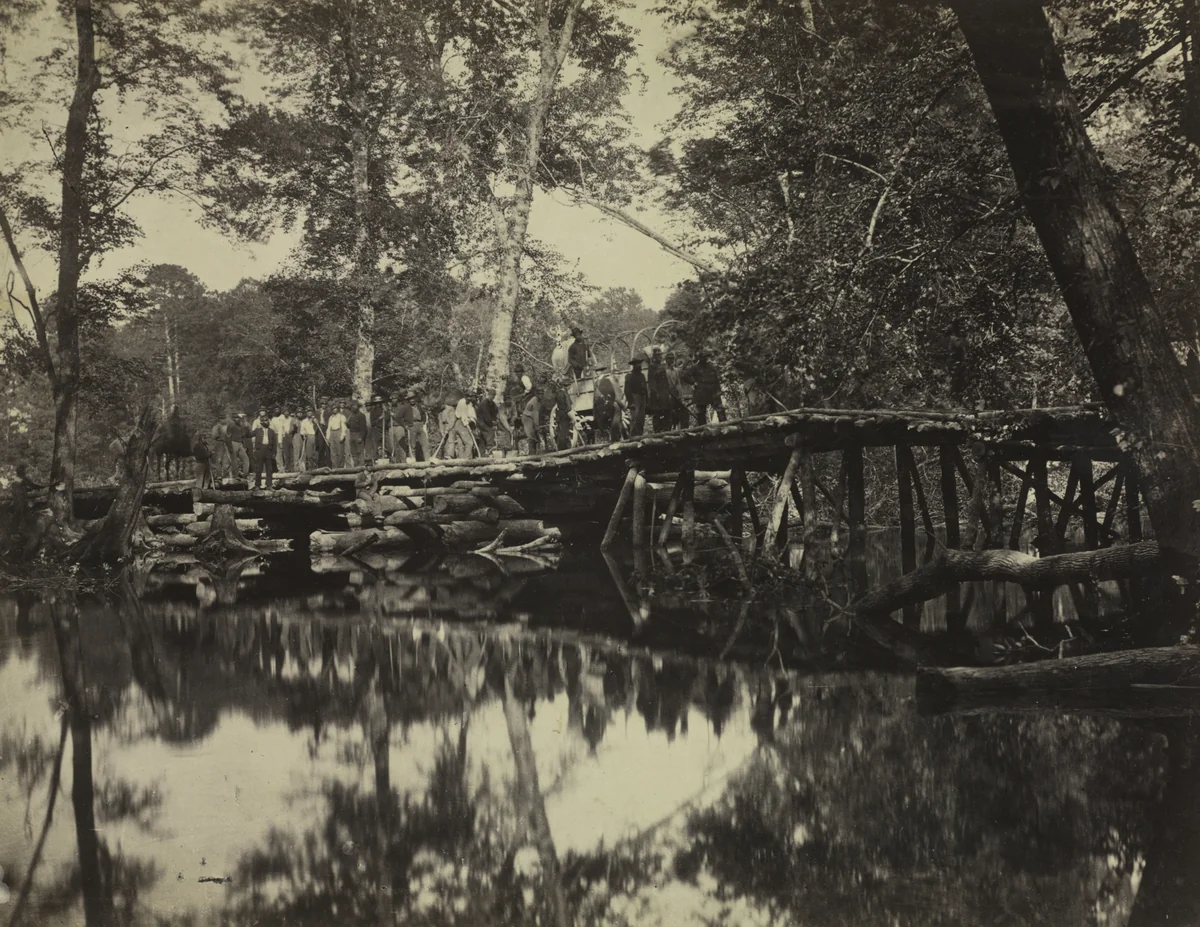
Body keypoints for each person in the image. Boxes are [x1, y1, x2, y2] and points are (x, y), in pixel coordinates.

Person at [687, 351, 726, 424]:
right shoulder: (695, 367)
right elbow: (685, 375)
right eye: (702, 357)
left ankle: (725, 427)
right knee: (701, 412)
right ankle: (702, 430)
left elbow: (716, 379)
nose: (704, 359)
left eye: (705, 357)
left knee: (720, 410)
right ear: (699, 358)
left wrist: (719, 390)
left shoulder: (711, 367)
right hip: (701, 391)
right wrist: (693, 382)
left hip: (713, 391)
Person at [647, 348, 673, 432]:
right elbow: (651, 382)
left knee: (667, 411)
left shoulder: (662, 366)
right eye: (657, 355)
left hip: (664, 393)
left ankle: (667, 429)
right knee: (657, 413)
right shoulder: (651, 367)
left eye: (660, 355)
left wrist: (668, 392)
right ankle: (657, 431)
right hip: (657, 394)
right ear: (654, 356)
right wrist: (656, 393)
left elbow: (665, 381)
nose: (659, 356)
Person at [249, 412, 277, 489]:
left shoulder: (271, 431)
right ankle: (257, 485)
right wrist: (244, 425)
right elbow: (249, 434)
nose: (266, 422)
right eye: (264, 421)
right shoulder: (257, 430)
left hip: (269, 450)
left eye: (267, 420)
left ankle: (269, 485)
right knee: (259, 469)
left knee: (269, 469)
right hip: (260, 450)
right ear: (261, 422)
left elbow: (275, 444)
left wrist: (274, 453)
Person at [593, 374, 622, 443]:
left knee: (613, 423)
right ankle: (615, 439)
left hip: (607, 405)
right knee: (614, 422)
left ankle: (614, 439)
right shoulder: (602, 381)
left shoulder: (601, 382)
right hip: (607, 405)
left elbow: (611, 394)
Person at [450, 392, 477, 459]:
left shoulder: (470, 403)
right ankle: (466, 459)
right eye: (469, 397)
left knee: (461, 443)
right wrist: (467, 424)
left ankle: (461, 458)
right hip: (461, 423)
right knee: (469, 443)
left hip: (464, 423)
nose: (471, 398)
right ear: (467, 397)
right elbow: (463, 415)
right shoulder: (462, 402)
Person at [624, 358, 647, 436]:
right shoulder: (629, 376)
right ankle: (633, 436)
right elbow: (627, 390)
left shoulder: (642, 375)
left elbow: (645, 387)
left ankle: (640, 434)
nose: (639, 365)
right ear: (634, 365)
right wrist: (631, 402)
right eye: (637, 364)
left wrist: (646, 399)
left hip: (642, 398)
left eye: (640, 363)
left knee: (641, 418)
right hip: (635, 398)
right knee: (635, 418)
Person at [665, 352, 688, 428]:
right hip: (668, 393)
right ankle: (669, 428)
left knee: (683, 411)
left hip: (675, 393)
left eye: (672, 359)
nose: (671, 360)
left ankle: (684, 429)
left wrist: (681, 396)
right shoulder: (664, 371)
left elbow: (678, 383)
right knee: (670, 412)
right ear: (666, 360)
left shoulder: (676, 371)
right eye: (669, 359)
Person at [550, 378, 573, 450]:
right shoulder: (565, 394)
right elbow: (568, 407)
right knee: (564, 432)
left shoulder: (558, 393)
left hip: (558, 414)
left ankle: (561, 447)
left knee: (561, 431)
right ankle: (563, 450)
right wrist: (573, 417)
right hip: (565, 414)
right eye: (569, 386)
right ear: (568, 386)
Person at [408, 392, 431, 461]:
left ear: (415, 399)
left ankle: (427, 460)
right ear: (408, 400)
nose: (412, 400)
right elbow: (400, 417)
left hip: (420, 425)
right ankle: (413, 461)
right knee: (412, 445)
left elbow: (424, 414)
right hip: (412, 425)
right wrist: (405, 424)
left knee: (425, 443)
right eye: (410, 399)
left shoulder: (419, 406)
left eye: (413, 398)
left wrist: (423, 422)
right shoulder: (406, 407)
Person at [226, 412, 249, 480]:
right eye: (235, 418)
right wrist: (230, 446)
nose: (237, 419)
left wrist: (244, 445)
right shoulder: (231, 426)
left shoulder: (240, 425)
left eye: (238, 418)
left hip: (240, 443)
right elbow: (228, 437)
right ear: (233, 419)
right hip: (233, 443)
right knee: (234, 460)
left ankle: (245, 474)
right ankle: (235, 475)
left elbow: (243, 435)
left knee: (246, 459)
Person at [521, 389, 545, 454]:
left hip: (531, 417)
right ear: (537, 394)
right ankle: (532, 453)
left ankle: (536, 451)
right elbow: (535, 415)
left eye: (542, 394)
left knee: (535, 436)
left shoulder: (540, 401)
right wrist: (537, 426)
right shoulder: (534, 401)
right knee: (531, 435)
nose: (541, 395)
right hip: (527, 418)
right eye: (539, 394)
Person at [476, 389, 499, 454]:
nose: (492, 397)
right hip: (481, 422)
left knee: (482, 438)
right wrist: (492, 424)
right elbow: (487, 417)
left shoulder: (492, 404)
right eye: (491, 395)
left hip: (486, 422)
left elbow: (494, 412)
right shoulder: (484, 403)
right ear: (488, 395)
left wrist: (495, 419)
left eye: (494, 395)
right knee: (490, 431)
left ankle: (482, 453)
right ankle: (490, 447)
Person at [347, 401, 369, 467]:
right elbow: (349, 426)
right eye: (352, 406)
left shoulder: (361, 415)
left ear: (358, 407)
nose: (353, 407)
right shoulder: (351, 415)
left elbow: (363, 428)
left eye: (355, 406)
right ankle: (356, 466)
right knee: (353, 452)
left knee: (360, 452)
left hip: (358, 434)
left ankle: (361, 466)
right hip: (352, 434)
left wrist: (361, 437)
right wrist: (347, 424)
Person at [388, 394, 409, 461]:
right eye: (392, 399)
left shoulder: (401, 407)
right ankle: (396, 462)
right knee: (392, 446)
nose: (393, 400)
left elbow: (400, 418)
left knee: (401, 445)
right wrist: (386, 412)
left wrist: (393, 415)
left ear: (398, 399)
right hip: (391, 427)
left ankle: (403, 461)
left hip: (399, 426)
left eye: (395, 399)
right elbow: (386, 419)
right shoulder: (389, 408)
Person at [366, 394, 385, 462]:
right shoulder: (373, 412)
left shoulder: (384, 410)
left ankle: (388, 458)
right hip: (376, 430)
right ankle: (375, 461)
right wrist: (380, 418)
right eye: (377, 403)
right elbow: (373, 423)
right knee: (375, 446)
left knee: (387, 445)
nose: (378, 404)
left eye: (379, 403)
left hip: (384, 430)